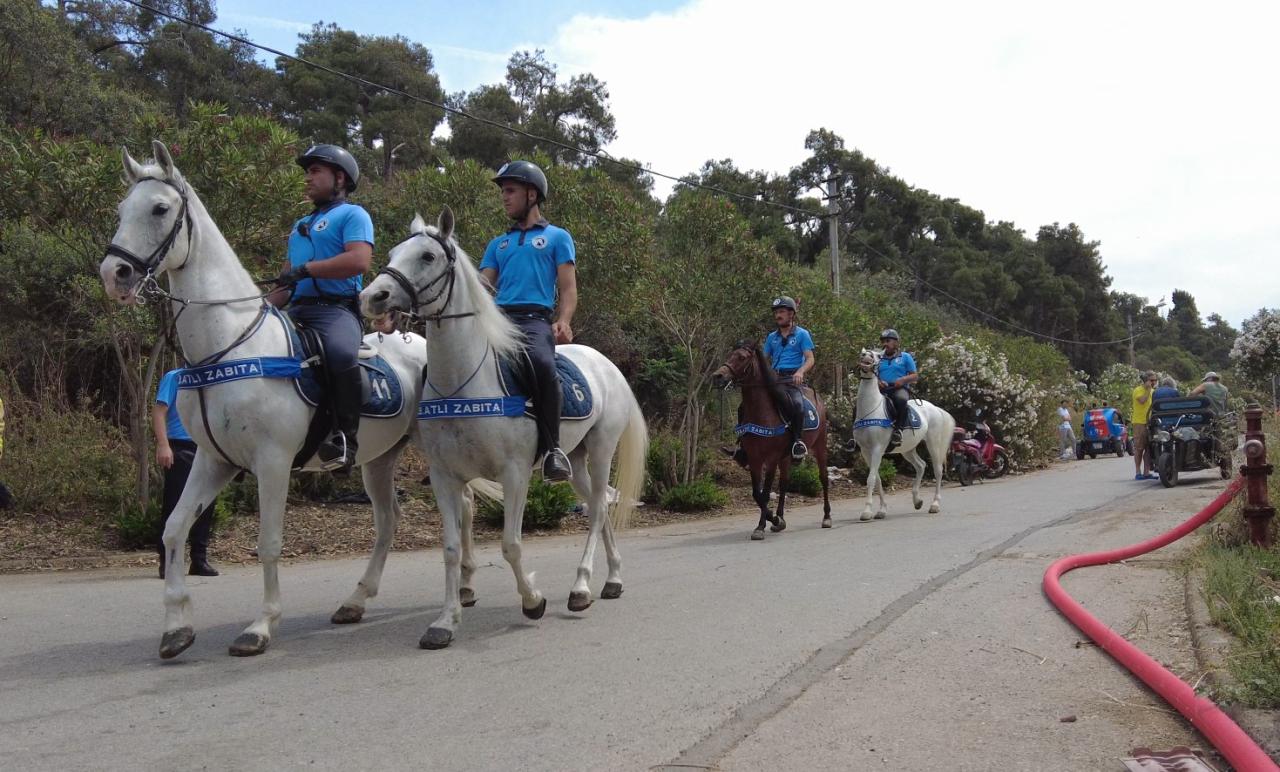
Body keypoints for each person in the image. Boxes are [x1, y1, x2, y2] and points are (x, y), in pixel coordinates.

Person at [269, 144, 372, 474]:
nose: (308, 178)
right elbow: (285, 284)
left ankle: (345, 441)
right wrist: (259, 310)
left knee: (340, 355)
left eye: (315, 171)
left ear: (339, 178)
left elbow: (359, 260)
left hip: (335, 312)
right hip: (296, 311)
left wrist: (309, 269)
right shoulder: (299, 224)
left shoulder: (353, 215)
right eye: (307, 172)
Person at [479, 160, 577, 481]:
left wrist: (563, 320)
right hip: (498, 319)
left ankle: (553, 451)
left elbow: (568, 288)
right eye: (503, 192)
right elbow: (483, 286)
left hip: (534, 320)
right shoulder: (498, 244)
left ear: (531, 194)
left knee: (542, 365)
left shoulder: (557, 237)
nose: (504, 197)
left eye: (510, 191)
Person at [153, 368, 219, 578]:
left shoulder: (210, 377)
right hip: (180, 447)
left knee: (205, 504)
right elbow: (159, 411)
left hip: (206, 446)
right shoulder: (175, 377)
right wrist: (163, 445)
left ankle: (199, 559)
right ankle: (168, 560)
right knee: (174, 504)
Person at [763, 296, 816, 461]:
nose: (778, 315)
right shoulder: (771, 337)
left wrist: (800, 372)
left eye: (781, 312)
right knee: (748, 403)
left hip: (792, 380)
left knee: (798, 406)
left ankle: (797, 442)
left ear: (791, 314)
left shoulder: (802, 334)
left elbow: (810, 359)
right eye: (776, 313)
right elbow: (764, 359)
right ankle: (744, 444)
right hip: (774, 379)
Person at [877, 329, 918, 446]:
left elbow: (914, 376)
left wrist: (902, 380)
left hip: (899, 388)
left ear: (896, 342)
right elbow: (874, 374)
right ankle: (854, 436)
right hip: (881, 389)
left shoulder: (905, 357)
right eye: (883, 341)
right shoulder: (879, 358)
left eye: (888, 341)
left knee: (901, 400)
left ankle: (898, 430)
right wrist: (878, 381)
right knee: (861, 402)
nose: (885, 344)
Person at [1130, 371, 1158, 480]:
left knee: (1149, 448)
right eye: (1151, 380)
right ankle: (1138, 472)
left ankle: (1146, 472)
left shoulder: (1153, 392)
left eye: (1155, 380)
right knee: (1139, 448)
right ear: (1146, 381)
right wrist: (1148, 389)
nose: (1154, 382)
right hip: (1139, 422)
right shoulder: (1138, 390)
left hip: (1150, 423)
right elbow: (1142, 400)